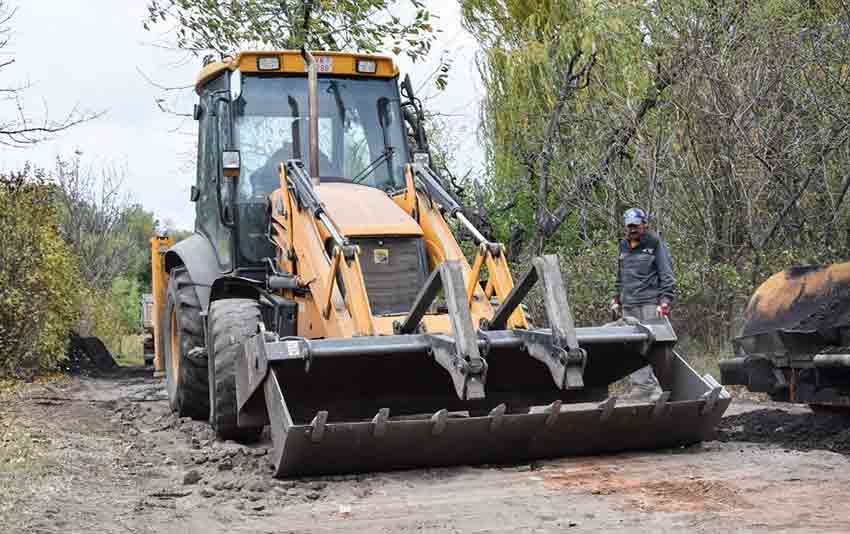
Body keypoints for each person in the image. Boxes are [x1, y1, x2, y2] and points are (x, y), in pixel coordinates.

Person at [610, 207, 676, 401]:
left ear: (643, 225)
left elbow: (667, 274)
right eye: (629, 226)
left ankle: (660, 389)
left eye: (636, 226)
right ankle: (642, 387)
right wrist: (616, 298)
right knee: (632, 348)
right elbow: (620, 275)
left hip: (650, 303)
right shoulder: (623, 245)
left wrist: (664, 301)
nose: (632, 230)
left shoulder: (655, 243)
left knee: (654, 348)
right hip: (629, 304)